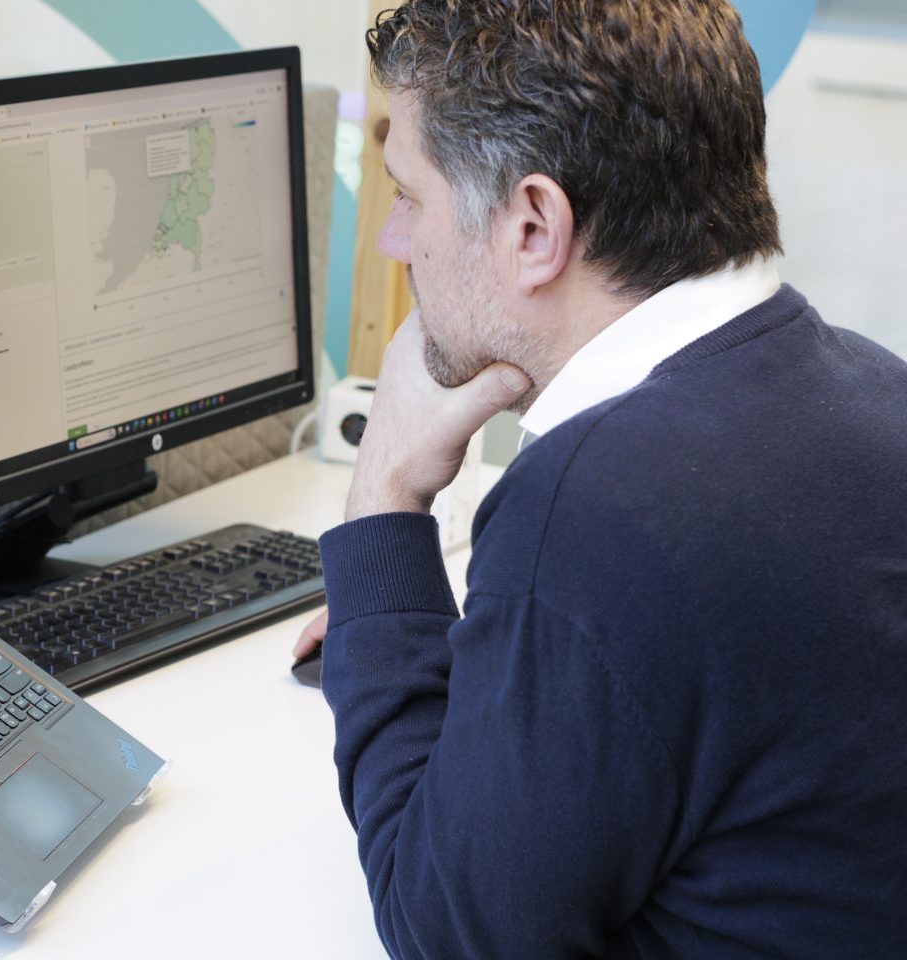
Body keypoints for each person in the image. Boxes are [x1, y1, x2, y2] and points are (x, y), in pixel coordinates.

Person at [295, 2, 907, 957]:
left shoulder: (600, 511)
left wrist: (384, 496)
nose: (393, 242)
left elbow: (443, 932)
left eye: (409, 197)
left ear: (534, 226)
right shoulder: (874, 386)